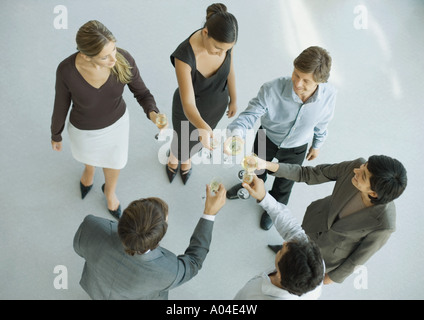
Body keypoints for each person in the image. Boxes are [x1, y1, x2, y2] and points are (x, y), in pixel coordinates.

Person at [50, 20, 164, 219]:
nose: (113, 59)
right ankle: (89, 171)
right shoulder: (66, 70)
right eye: (105, 57)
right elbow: (61, 104)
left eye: (114, 49)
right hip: (83, 130)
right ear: (86, 56)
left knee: (114, 162)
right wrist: (56, 134)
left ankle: (109, 192)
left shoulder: (123, 59)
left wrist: (153, 113)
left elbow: (142, 93)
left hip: (116, 126)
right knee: (88, 157)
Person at [224, 46, 336, 230]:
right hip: (266, 137)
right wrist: (236, 134)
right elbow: (250, 114)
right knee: (254, 170)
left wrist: (317, 144)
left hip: (297, 145)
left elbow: (323, 123)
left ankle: (272, 209)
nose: (298, 83)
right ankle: (248, 186)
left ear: (320, 81)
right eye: (296, 74)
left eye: (306, 80)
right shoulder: (272, 89)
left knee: (284, 184)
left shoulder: (329, 96)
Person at [260, 155, 407, 284]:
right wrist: (266, 165)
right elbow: (309, 173)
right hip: (315, 221)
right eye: (364, 166)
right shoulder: (355, 166)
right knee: (293, 245)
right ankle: (286, 251)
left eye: (363, 175)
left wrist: (332, 277)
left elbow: (359, 257)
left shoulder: (384, 225)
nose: (356, 170)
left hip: (328, 254)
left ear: (373, 193)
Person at [73, 183, 227, 300]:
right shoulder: (169, 272)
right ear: (158, 238)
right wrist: (209, 214)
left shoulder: (91, 225)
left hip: (96, 290)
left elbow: (79, 249)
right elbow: (193, 261)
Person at [166, 3, 238, 184]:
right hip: (189, 110)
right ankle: (175, 157)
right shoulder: (184, 56)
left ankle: (187, 158)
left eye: (226, 50)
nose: (222, 53)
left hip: (216, 107)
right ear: (205, 33)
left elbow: (230, 68)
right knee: (182, 137)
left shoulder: (225, 43)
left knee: (196, 142)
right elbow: (188, 103)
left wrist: (234, 98)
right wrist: (202, 127)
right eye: (217, 48)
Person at [234, 175, 324, 300]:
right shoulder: (314, 264)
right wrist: (263, 197)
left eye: (281, 251)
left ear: (280, 276)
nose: (283, 244)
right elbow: (292, 229)